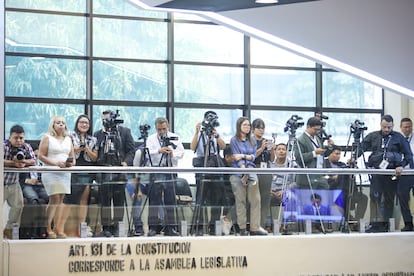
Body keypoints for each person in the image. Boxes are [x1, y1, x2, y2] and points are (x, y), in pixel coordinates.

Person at [362, 114, 413, 232]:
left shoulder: (399, 138)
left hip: (392, 174)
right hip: (376, 173)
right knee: (375, 197)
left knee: (389, 199)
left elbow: (409, 155)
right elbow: (361, 148)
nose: (386, 130)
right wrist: (354, 157)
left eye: (389, 127)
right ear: (381, 124)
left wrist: (401, 165)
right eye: (384, 127)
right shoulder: (373, 136)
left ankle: (385, 225)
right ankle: (375, 224)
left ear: (393, 126)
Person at [94, 110, 136, 237]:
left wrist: (126, 163)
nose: (106, 122)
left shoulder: (124, 132)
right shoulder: (97, 134)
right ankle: (106, 228)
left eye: (108, 119)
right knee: (105, 201)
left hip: (119, 171)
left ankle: (117, 226)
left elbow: (131, 151)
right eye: (104, 120)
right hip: (104, 171)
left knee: (119, 201)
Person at [146, 117, 185, 236]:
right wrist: (159, 150)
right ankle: (153, 228)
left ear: (167, 126)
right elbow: (147, 152)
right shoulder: (151, 138)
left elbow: (182, 152)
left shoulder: (175, 137)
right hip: (156, 171)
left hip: (170, 171)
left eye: (163, 129)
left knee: (170, 200)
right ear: (156, 128)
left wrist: (172, 153)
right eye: (159, 129)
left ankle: (171, 228)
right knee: (154, 201)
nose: (162, 131)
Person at [38, 116, 75, 239]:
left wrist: (70, 163)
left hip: (65, 173)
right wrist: (55, 164)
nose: (61, 125)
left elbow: (73, 158)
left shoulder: (68, 139)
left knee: (60, 200)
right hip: (51, 171)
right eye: (58, 122)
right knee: (54, 198)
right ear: (53, 124)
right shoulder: (47, 137)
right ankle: (47, 227)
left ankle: (58, 228)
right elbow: (40, 155)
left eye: (63, 123)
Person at [230, 116, 267, 236]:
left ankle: (255, 227)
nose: (247, 127)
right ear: (239, 126)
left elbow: (253, 156)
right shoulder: (234, 140)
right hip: (237, 171)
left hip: (251, 169)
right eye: (245, 125)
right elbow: (236, 157)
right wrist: (243, 171)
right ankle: (242, 228)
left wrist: (244, 156)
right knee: (240, 200)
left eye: (248, 125)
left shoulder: (252, 140)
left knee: (255, 199)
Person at [190, 110, 226, 235]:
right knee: (200, 197)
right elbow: (192, 147)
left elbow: (223, 146)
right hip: (202, 166)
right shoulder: (200, 133)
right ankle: (199, 227)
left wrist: (217, 136)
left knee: (217, 198)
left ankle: (214, 226)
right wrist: (196, 132)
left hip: (215, 166)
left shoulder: (216, 133)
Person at [65, 114, 98, 237]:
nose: (84, 125)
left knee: (84, 199)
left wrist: (87, 149)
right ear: (77, 124)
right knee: (71, 199)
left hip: (87, 169)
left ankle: (82, 225)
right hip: (73, 167)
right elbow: (66, 150)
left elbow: (95, 157)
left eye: (86, 123)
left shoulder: (93, 139)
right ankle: (68, 228)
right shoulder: (69, 135)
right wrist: (78, 148)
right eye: (81, 122)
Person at [3, 125, 37, 239]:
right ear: (10, 137)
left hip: (13, 183)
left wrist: (23, 162)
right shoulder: (3, 145)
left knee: (18, 206)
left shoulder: (26, 146)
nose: (19, 141)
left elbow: (34, 161)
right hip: (1, 183)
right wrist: (14, 164)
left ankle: (8, 229)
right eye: (16, 138)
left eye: (21, 138)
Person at [323, 145, 368, 230]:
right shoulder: (323, 164)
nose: (338, 156)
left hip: (346, 190)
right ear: (330, 154)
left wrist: (350, 166)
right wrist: (333, 177)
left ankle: (356, 221)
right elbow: (323, 178)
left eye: (340, 154)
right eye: (336, 154)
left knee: (363, 198)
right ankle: (351, 222)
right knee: (343, 197)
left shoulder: (342, 165)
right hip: (332, 190)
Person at [251, 118, 274, 230]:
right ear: (253, 129)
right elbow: (251, 156)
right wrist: (261, 148)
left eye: (263, 128)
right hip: (254, 170)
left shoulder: (266, 140)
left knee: (265, 199)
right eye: (259, 128)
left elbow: (272, 159)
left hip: (266, 170)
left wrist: (272, 150)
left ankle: (261, 224)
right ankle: (252, 225)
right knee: (254, 199)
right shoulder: (250, 141)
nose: (261, 130)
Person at [295, 116, 329, 190]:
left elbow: (323, 153)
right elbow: (298, 157)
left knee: (324, 196)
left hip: (320, 174)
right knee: (308, 199)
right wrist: (314, 153)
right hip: (307, 178)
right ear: (308, 127)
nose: (317, 132)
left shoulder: (317, 138)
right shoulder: (300, 140)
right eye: (315, 129)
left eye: (318, 130)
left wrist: (329, 147)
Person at [269, 143, 297, 232]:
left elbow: (295, 182)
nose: (281, 151)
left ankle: (284, 224)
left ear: (287, 152)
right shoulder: (270, 165)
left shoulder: (291, 165)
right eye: (279, 149)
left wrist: (285, 190)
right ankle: (267, 224)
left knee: (289, 197)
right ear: (275, 151)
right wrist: (270, 190)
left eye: (283, 149)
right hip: (271, 191)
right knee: (265, 197)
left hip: (285, 190)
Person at [397, 117, 414, 231]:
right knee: (402, 197)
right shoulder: (397, 140)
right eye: (405, 127)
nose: (408, 129)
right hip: (404, 173)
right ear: (401, 127)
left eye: (409, 127)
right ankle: (408, 223)